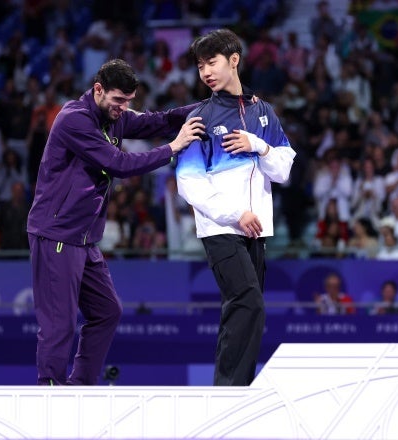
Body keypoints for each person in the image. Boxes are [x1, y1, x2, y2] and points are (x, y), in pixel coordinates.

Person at [26, 59, 205, 386]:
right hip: (57, 234)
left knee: (108, 311)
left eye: (128, 102)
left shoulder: (115, 117)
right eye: (118, 100)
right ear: (98, 90)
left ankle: (80, 385)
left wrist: (211, 104)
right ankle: (49, 391)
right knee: (59, 322)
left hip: (83, 238)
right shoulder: (73, 121)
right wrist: (174, 147)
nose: (124, 108)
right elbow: (118, 163)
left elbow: (159, 120)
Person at [175, 29, 296, 386]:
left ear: (234, 60)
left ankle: (232, 390)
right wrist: (235, 214)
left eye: (211, 62)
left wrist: (257, 144)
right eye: (200, 66)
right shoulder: (200, 118)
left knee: (243, 311)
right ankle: (228, 393)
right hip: (222, 229)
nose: (206, 72)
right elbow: (189, 184)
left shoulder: (263, 111)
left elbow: (284, 169)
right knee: (249, 304)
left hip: (255, 229)